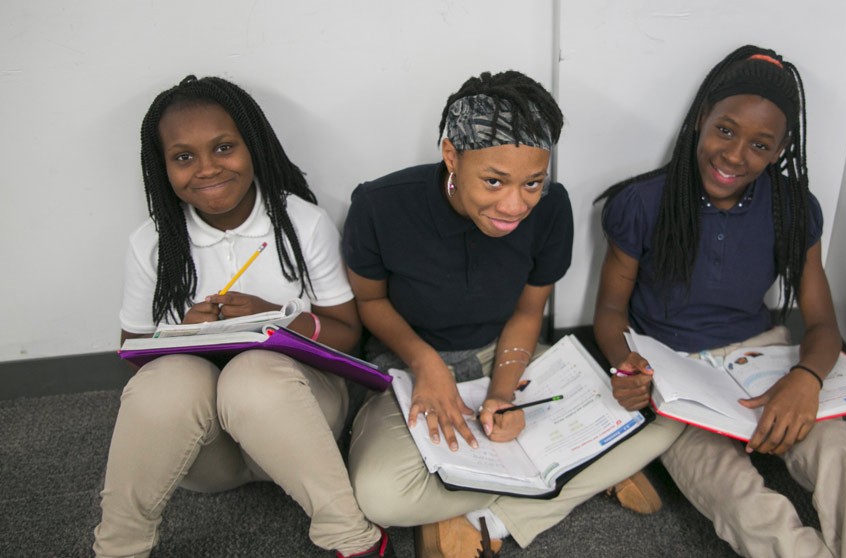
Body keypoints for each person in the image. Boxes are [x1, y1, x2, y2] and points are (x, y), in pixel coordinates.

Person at [593, 46, 846, 557]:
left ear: (781, 148)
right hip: (674, 371)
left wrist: (805, 380)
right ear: (703, 118)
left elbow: (822, 324)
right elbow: (611, 313)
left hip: (761, 360)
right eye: (725, 130)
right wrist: (624, 365)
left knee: (842, 454)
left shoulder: (792, 208)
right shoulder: (642, 203)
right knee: (737, 497)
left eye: (760, 144)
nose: (734, 155)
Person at [343, 70, 684, 558]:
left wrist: (502, 393)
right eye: (493, 181)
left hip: (505, 350)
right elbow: (371, 302)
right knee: (378, 495)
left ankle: (490, 517)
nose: (514, 205)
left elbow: (528, 311)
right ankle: (577, 469)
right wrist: (426, 364)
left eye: (532, 183)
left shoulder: (551, 208)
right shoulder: (379, 205)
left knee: (667, 415)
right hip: (407, 362)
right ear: (451, 157)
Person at [93, 75, 393, 558]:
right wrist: (181, 335)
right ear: (162, 168)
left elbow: (348, 335)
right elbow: (133, 349)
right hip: (206, 455)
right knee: (169, 378)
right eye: (184, 157)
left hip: (300, 426)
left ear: (252, 146)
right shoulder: (152, 244)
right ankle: (117, 547)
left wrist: (275, 318)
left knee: (252, 374)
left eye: (224, 147)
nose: (207, 168)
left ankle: (351, 538)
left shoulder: (301, 224)